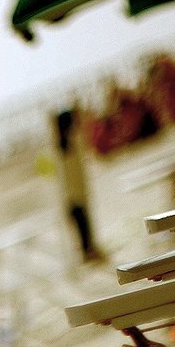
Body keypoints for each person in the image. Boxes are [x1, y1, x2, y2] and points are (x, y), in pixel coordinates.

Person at [52, 108, 103, 263]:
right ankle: (89, 252)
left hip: (69, 193)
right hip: (77, 192)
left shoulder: (60, 145)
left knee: (81, 228)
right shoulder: (73, 142)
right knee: (84, 226)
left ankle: (87, 251)